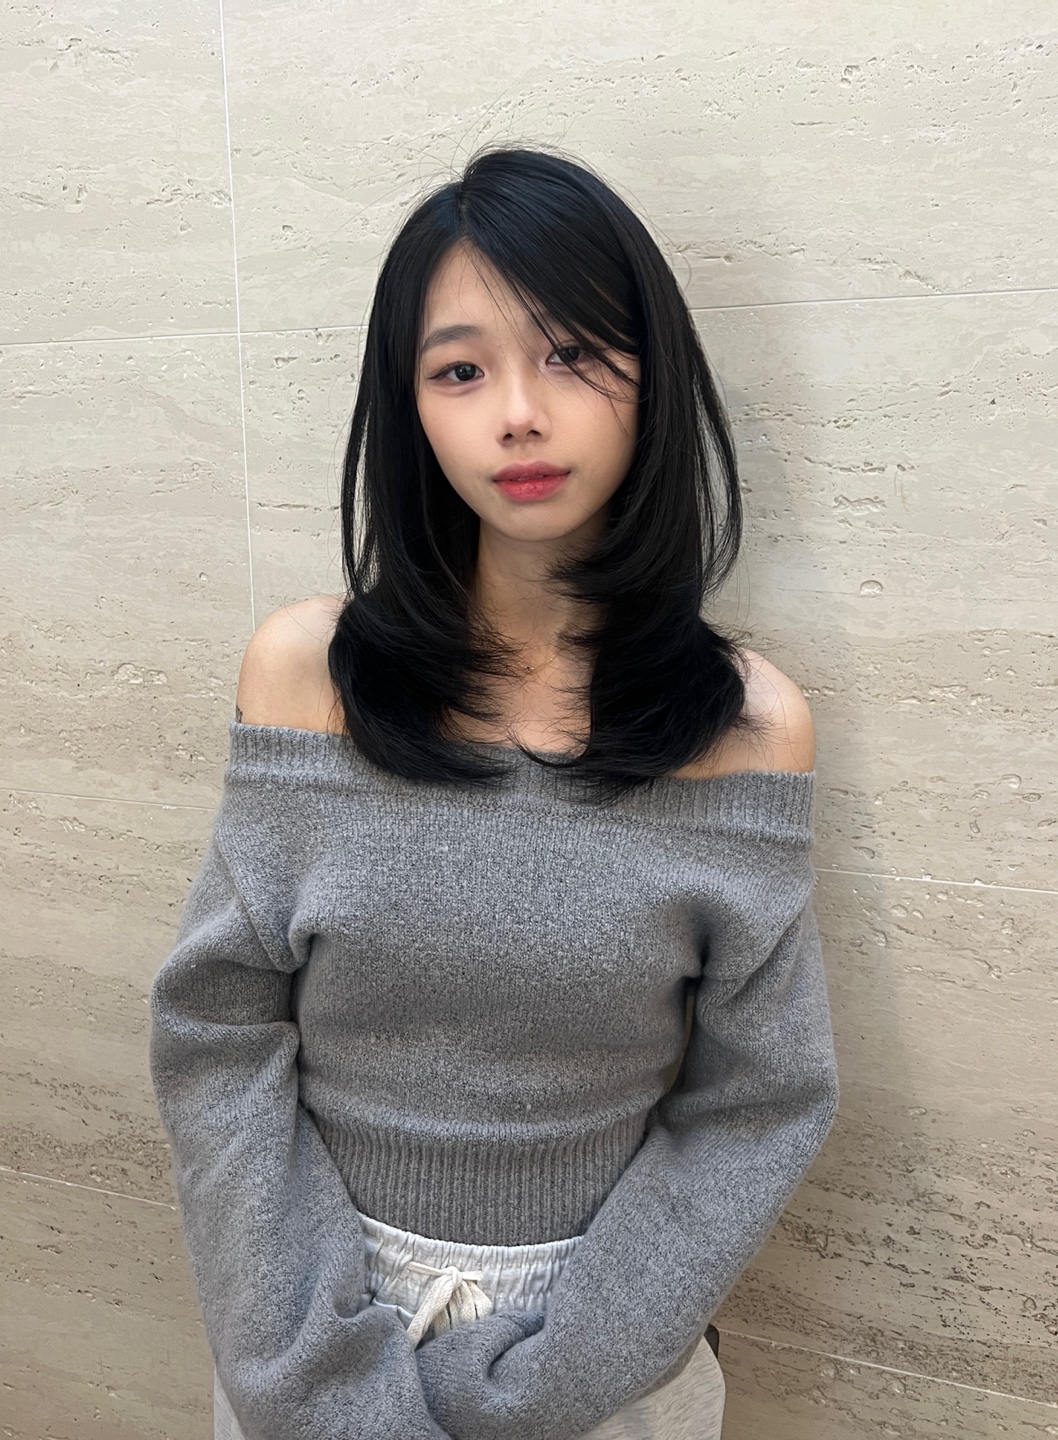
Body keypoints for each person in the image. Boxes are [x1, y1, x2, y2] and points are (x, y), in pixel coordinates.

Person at [148, 146, 839, 1440]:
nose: (518, 414)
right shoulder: (305, 674)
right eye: (460, 370)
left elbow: (758, 1105)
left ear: (655, 376)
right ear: (408, 406)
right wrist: (319, 1382)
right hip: (305, 1334)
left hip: (606, 1360)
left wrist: (548, 1383)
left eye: (573, 354)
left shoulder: (748, 731)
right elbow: (219, 1036)